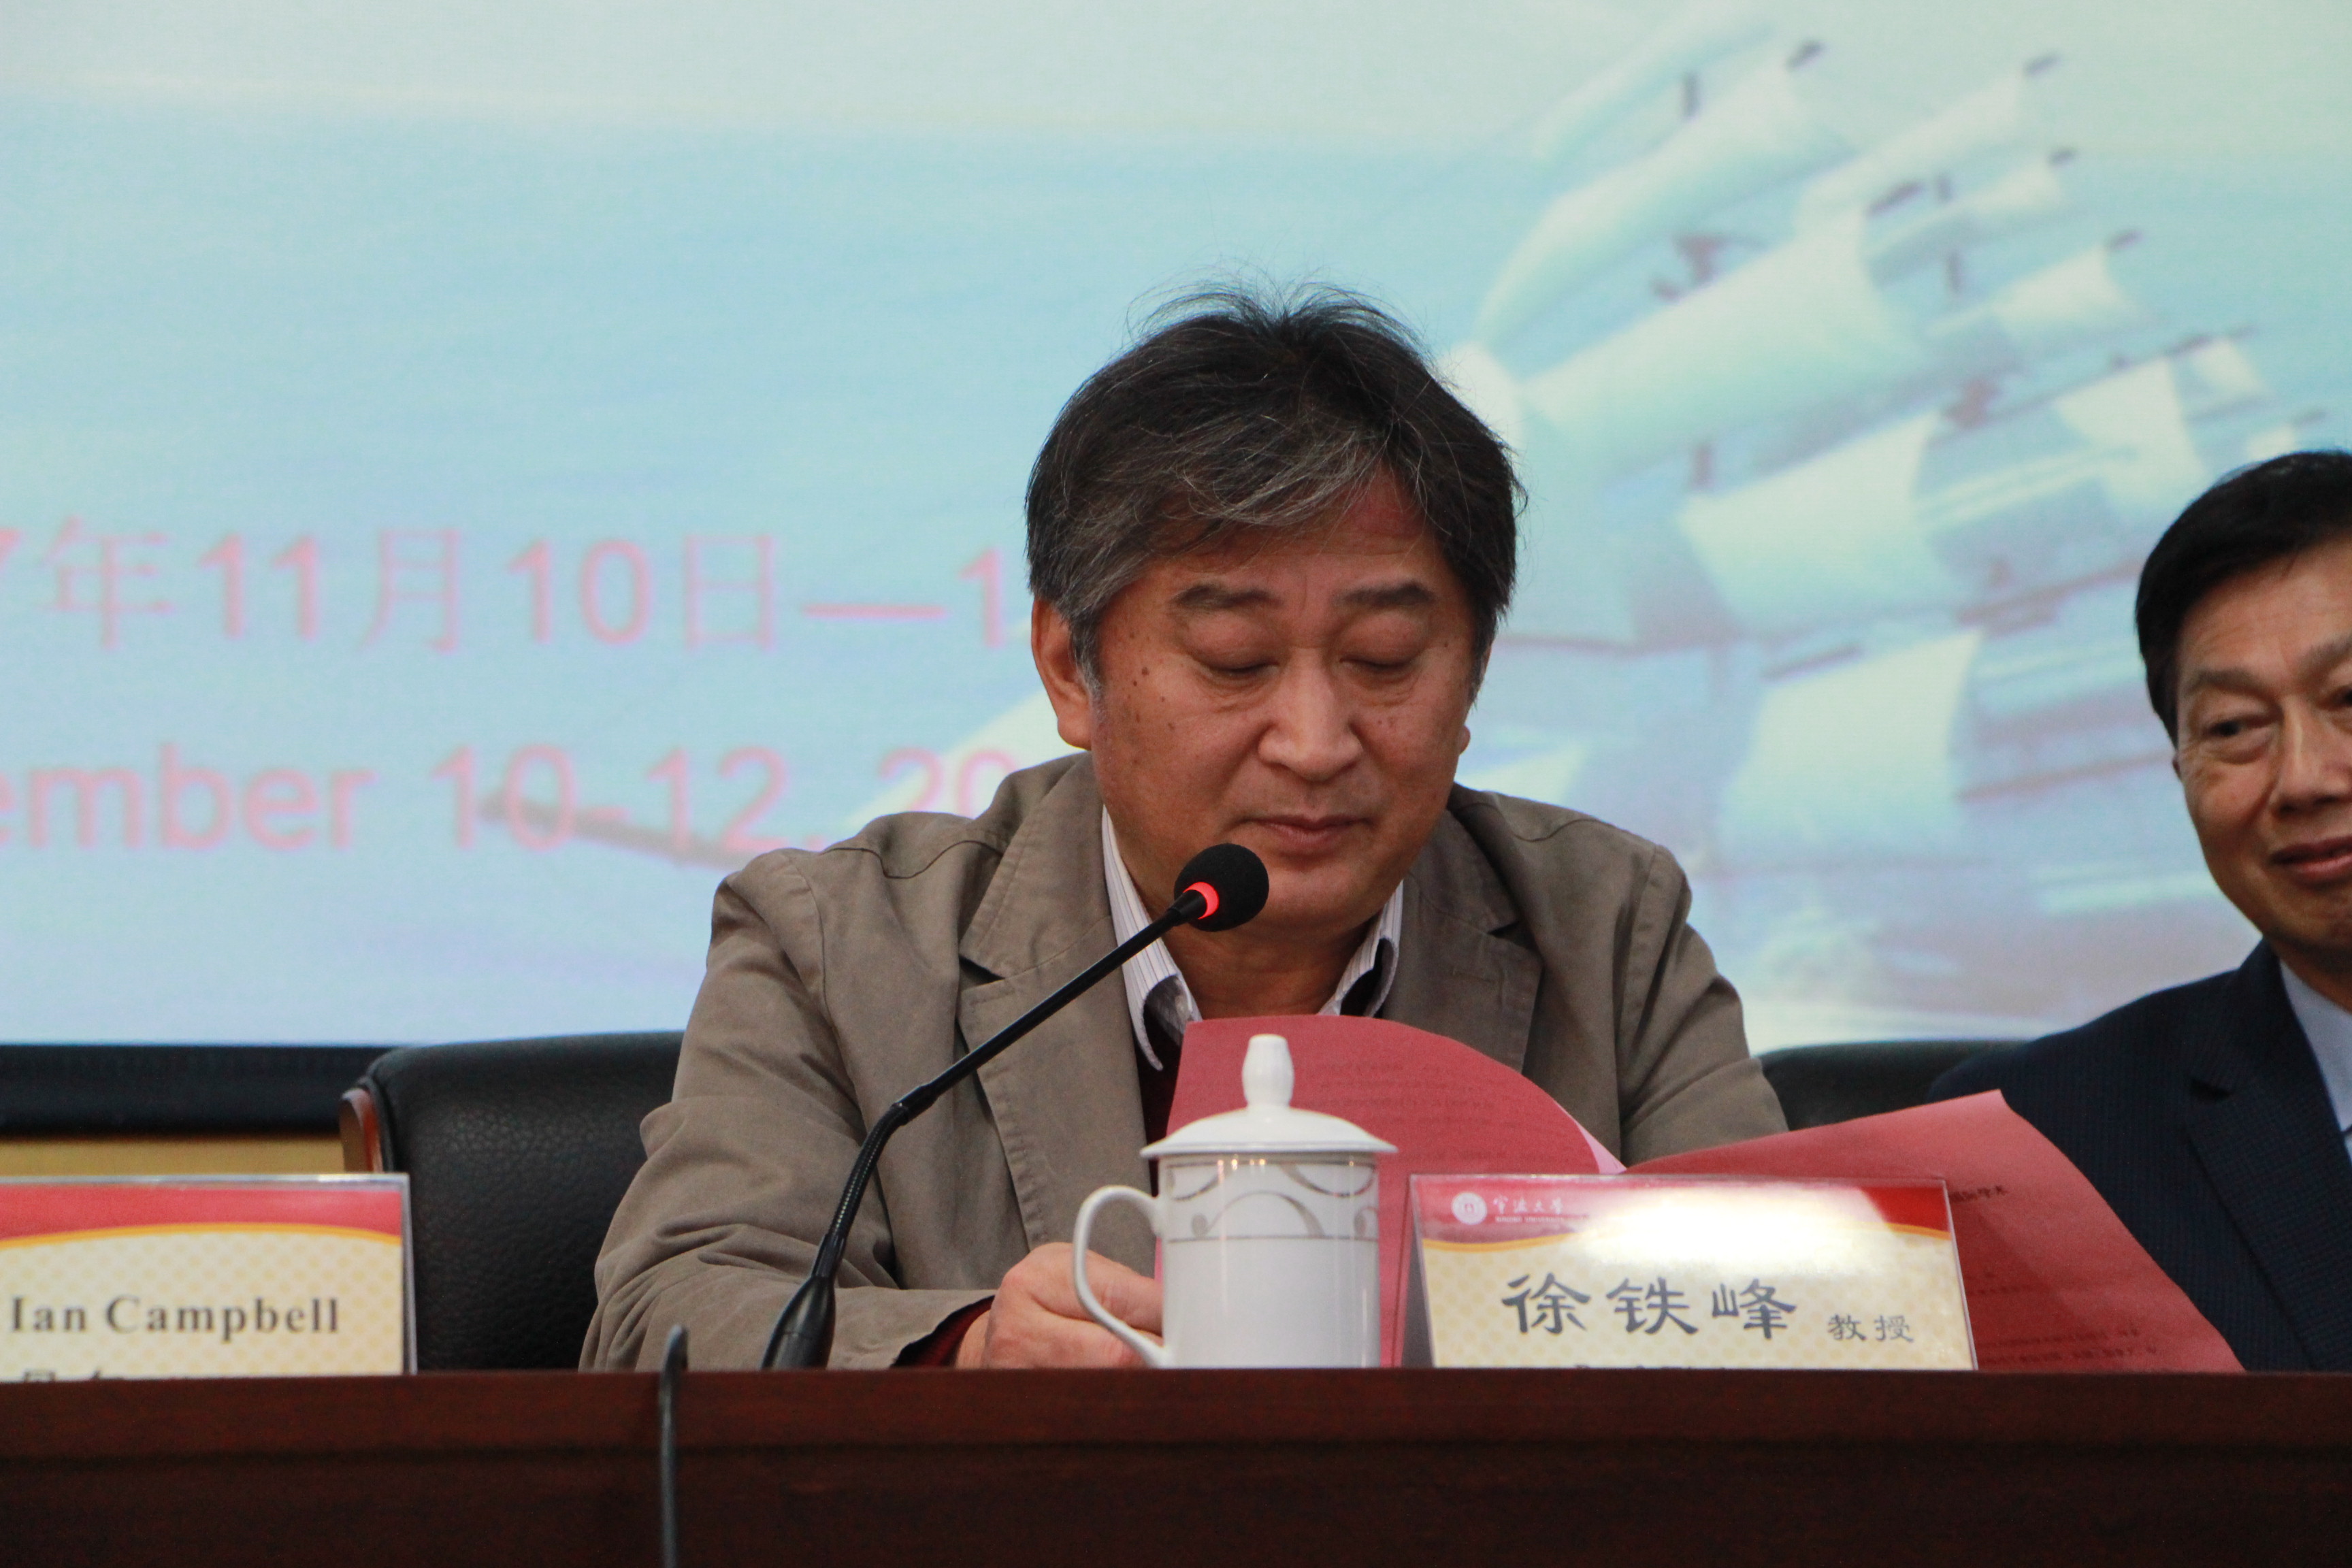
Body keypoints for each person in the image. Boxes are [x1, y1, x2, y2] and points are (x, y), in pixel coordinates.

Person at [585, 286, 1784, 1372]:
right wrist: (964, 1355)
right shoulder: (840, 944)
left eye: (1384, 659)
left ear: (1471, 675)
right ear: (1071, 669)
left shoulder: (1607, 929)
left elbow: (1794, 1315)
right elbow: (667, 1316)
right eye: (1235, 660)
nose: (1314, 741)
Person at [1935, 451, 2352, 1371]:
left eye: (2349, 697)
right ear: (2180, 770)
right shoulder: (2036, 1145)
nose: (2303, 780)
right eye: (2234, 728)